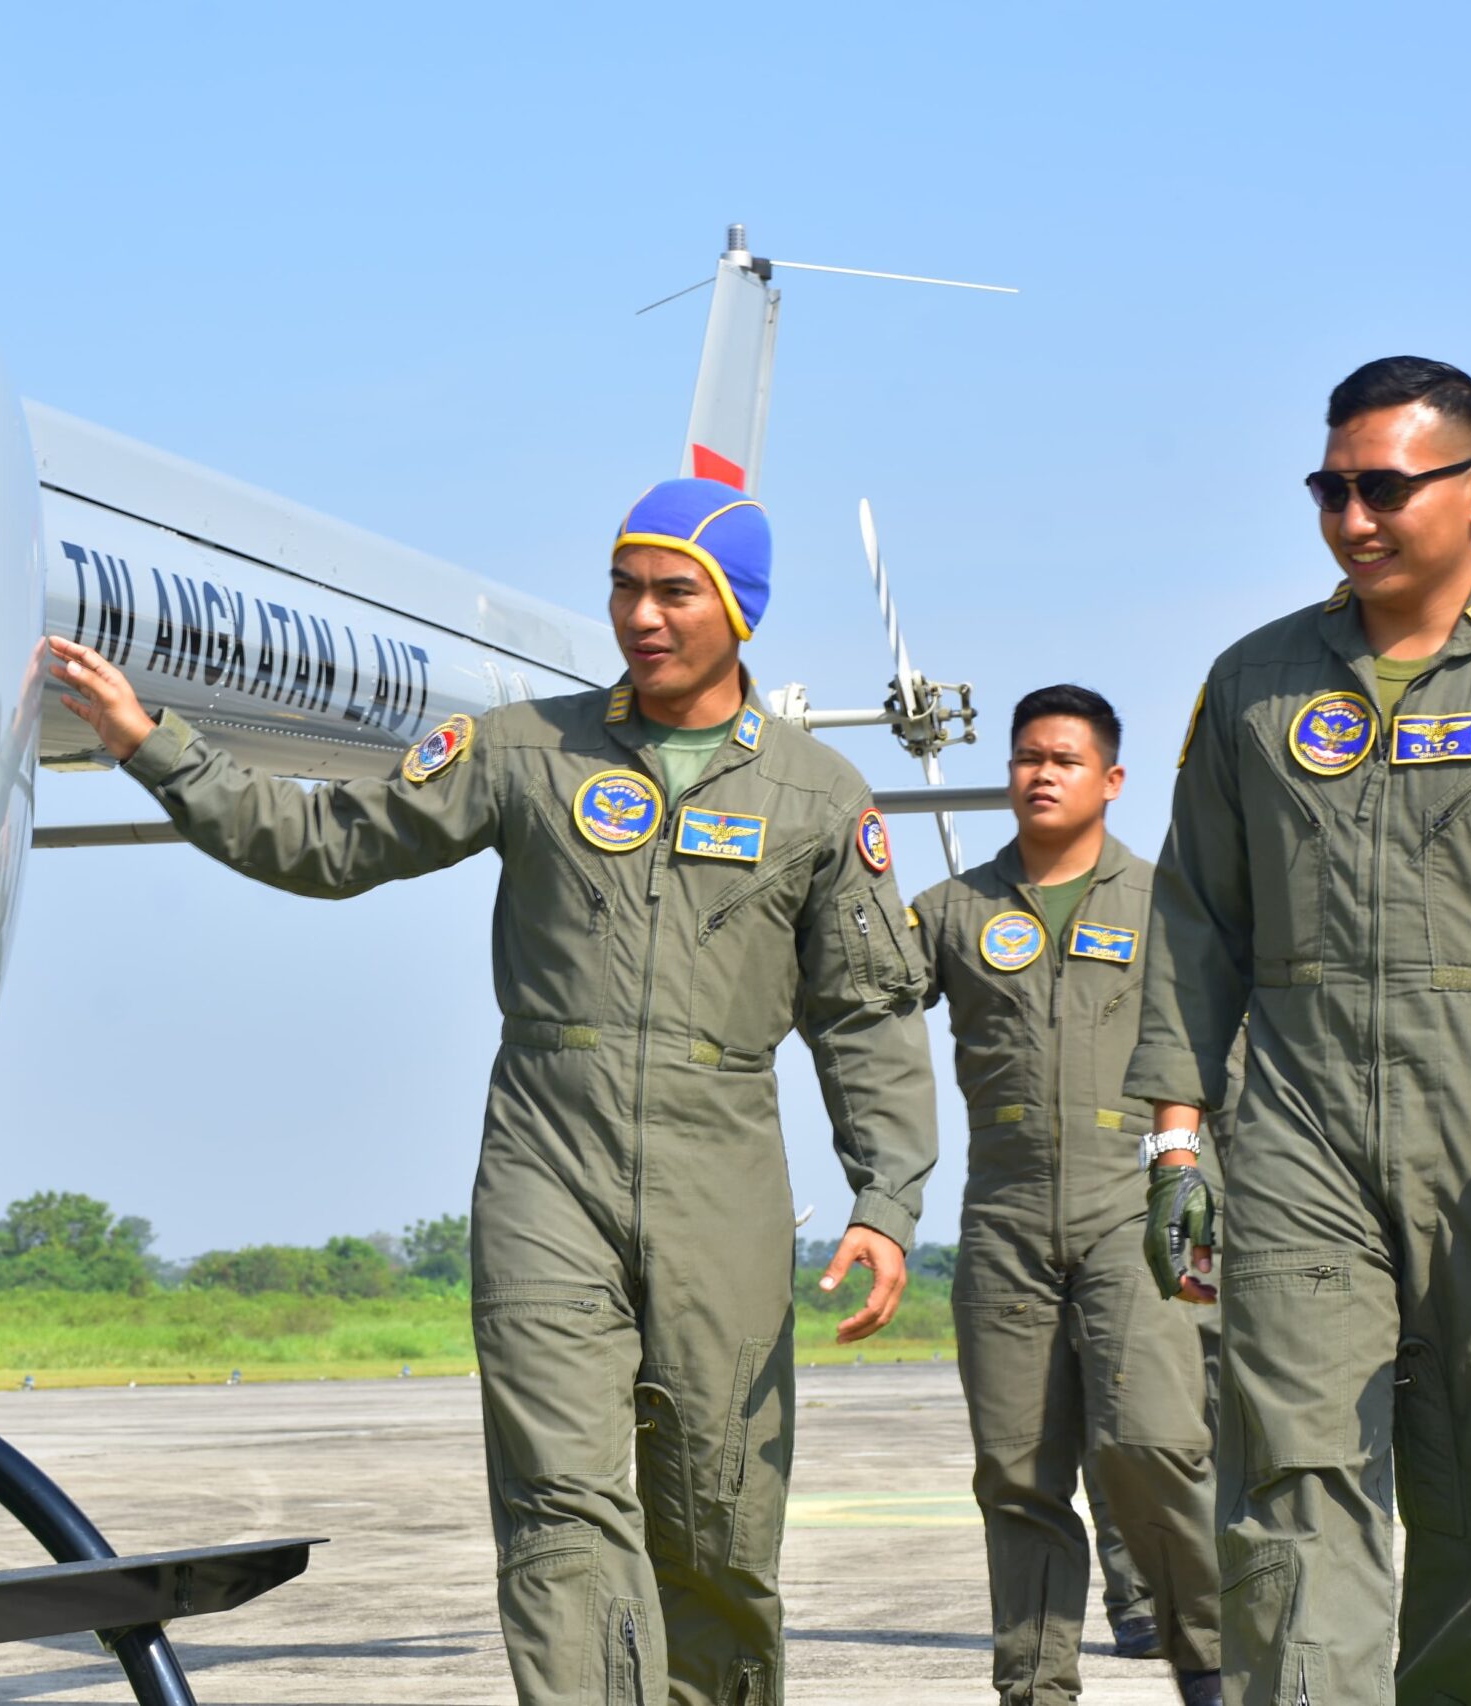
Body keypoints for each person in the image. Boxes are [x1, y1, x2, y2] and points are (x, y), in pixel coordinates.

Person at [51, 476, 938, 1705]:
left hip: (722, 1168)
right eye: (624, 586)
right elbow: (327, 844)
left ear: (741, 610)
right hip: (545, 1163)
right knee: (559, 1501)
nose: (641, 615)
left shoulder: (817, 795)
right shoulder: (521, 749)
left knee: (718, 1518)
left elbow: (864, 1012)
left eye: (674, 591)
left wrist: (885, 1198)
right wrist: (159, 746)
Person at [1132, 357, 1471, 1702]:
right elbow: (1196, 923)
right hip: (1294, 1127)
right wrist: (1177, 1144)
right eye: (1329, 489)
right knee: (1291, 1484)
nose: (1352, 517)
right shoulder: (1253, 684)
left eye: (1381, 487)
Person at [909, 684, 1222, 1706]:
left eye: (1064, 759)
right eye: (1025, 758)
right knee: (1015, 1473)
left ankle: (1211, 1663)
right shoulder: (951, 911)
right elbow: (852, 996)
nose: (1040, 774)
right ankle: (1035, 1685)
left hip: (1134, 1196)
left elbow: (1225, 1052)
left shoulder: (1167, 904)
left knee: (1151, 1441)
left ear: (1112, 780)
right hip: (1002, 1211)